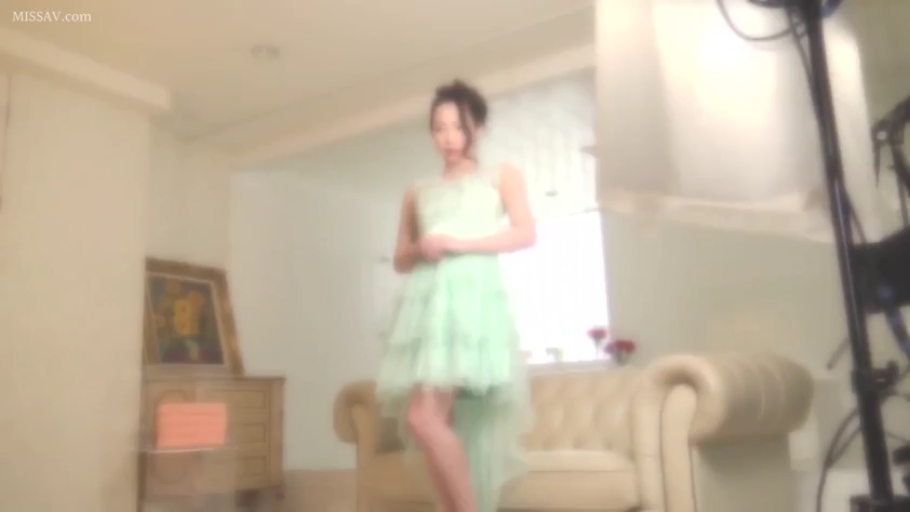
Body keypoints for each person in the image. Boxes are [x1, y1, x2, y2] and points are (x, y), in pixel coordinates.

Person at [375, 79, 536, 512]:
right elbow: (400, 259)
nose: (448, 138)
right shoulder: (417, 190)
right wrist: (421, 247)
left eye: (458, 127)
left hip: (471, 305)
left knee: (422, 417)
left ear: (477, 128)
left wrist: (457, 244)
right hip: (428, 307)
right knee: (432, 421)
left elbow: (525, 234)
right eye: (439, 128)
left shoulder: (500, 175)